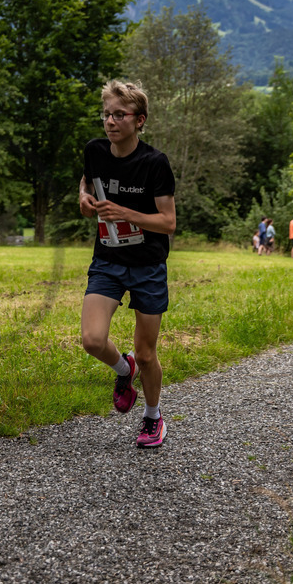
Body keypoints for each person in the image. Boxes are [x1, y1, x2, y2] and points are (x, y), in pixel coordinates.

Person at [79, 79, 176, 449]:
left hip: (148, 265)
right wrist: (85, 200)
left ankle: (153, 417)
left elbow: (168, 223)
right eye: (106, 114)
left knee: (148, 351)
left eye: (120, 114)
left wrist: (126, 213)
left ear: (140, 120)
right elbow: (86, 183)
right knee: (91, 339)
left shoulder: (154, 163)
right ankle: (124, 369)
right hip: (108, 258)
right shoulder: (95, 150)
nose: (110, 121)